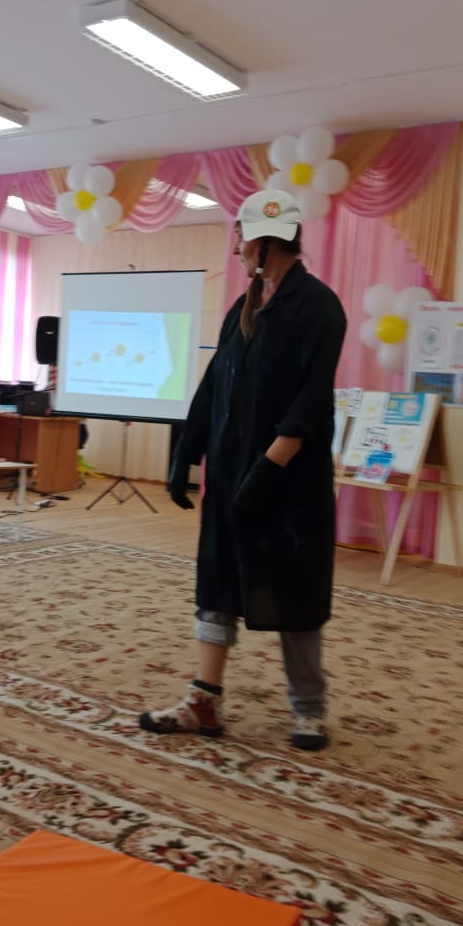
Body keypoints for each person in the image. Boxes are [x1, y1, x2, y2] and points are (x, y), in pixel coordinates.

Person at [139, 189, 347, 750]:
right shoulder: (243, 307)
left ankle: (309, 710)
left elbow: (311, 402)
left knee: (293, 590)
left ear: (262, 242)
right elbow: (214, 386)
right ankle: (204, 701)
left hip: (288, 484)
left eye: (238, 238)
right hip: (232, 476)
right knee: (218, 582)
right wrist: (186, 451)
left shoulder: (318, 306)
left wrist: (268, 469)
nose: (235, 249)